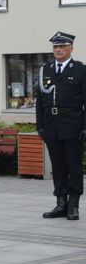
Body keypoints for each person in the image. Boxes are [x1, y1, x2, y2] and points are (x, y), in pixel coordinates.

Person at [36, 31, 86, 220]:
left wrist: (84, 127)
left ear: (71, 48)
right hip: (51, 126)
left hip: (73, 125)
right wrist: (40, 125)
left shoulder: (81, 70)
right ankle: (60, 203)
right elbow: (39, 101)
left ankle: (73, 205)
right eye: (56, 47)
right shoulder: (45, 69)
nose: (58, 50)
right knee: (58, 167)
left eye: (62, 46)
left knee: (73, 167)